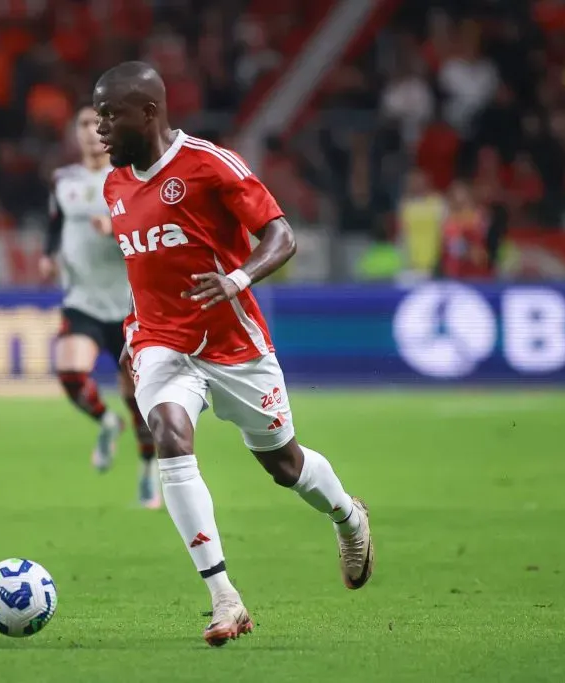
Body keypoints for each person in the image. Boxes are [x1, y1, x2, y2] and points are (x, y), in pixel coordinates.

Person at [93, 62, 374, 647]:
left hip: (233, 346)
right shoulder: (114, 185)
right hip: (160, 342)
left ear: (148, 112)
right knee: (169, 435)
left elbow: (282, 235)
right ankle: (225, 598)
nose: (101, 128)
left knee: (284, 467)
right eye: (97, 115)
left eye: (110, 114)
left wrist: (239, 278)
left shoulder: (208, 164)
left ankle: (348, 515)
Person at [39, 105, 159, 508]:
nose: (91, 132)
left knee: (137, 397)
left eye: (97, 124)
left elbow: (152, 224)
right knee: (70, 372)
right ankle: (107, 423)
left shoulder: (130, 176)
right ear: (76, 134)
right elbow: (54, 223)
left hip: (129, 305)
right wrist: (48, 254)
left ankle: (147, 470)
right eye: (83, 125)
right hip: (83, 301)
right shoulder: (63, 180)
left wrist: (116, 229)